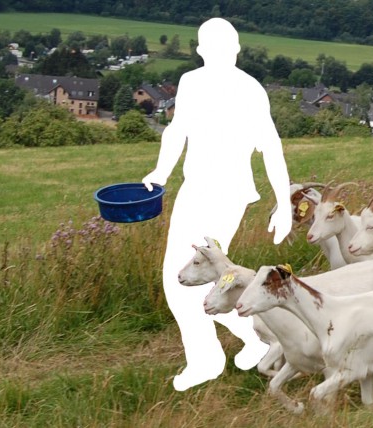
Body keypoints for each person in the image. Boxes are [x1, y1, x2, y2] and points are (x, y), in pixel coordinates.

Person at [142, 17, 293, 391]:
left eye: (225, 48)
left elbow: (271, 148)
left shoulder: (250, 90)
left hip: (228, 195)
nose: (220, 54)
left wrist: (284, 203)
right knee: (196, 276)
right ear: (201, 51)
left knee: (185, 278)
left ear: (236, 50)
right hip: (195, 190)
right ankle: (257, 340)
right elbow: (178, 131)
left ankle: (219, 355)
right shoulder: (191, 83)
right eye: (213, 48)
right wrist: (160, 173)